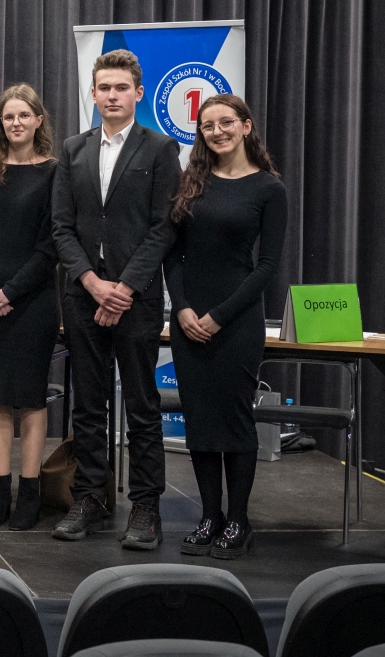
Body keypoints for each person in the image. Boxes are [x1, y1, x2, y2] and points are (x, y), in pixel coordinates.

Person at [51, 49, 181, 549]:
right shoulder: (73, 149)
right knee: (88, 405)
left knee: (142, 406)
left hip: (136, 298)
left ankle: (146, 507)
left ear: (138, 93)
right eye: (103, 87)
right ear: (92, 92)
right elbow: (61, 227)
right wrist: (91, 282)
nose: (111, 95)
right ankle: (89, 496)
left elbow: (164, 226)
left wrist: (123, 288)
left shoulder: (160, 148)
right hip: (83, 296)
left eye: (121, 87)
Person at [165, 95, 286, 560]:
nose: (217, 132)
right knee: (198, 419)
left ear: (245, 126)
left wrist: (219, 315)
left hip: (236, 321)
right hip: (188, 320)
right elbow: (173, 255)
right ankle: (209, 517)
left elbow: (267, 266)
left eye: (226, 123)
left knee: (234, 420)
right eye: (208, 125)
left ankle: (239, 520)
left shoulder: (269, 188)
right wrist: (181, 309)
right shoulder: (191, 183)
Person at [0, 84, 59, 531]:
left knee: (31, 399)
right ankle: (0, 490)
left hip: (34, 302)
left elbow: (50, 246)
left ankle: (30, 490)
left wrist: (11, 292)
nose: (16, 123)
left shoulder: (54, 173)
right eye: (8, 117)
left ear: (38, 120)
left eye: (23, 115)